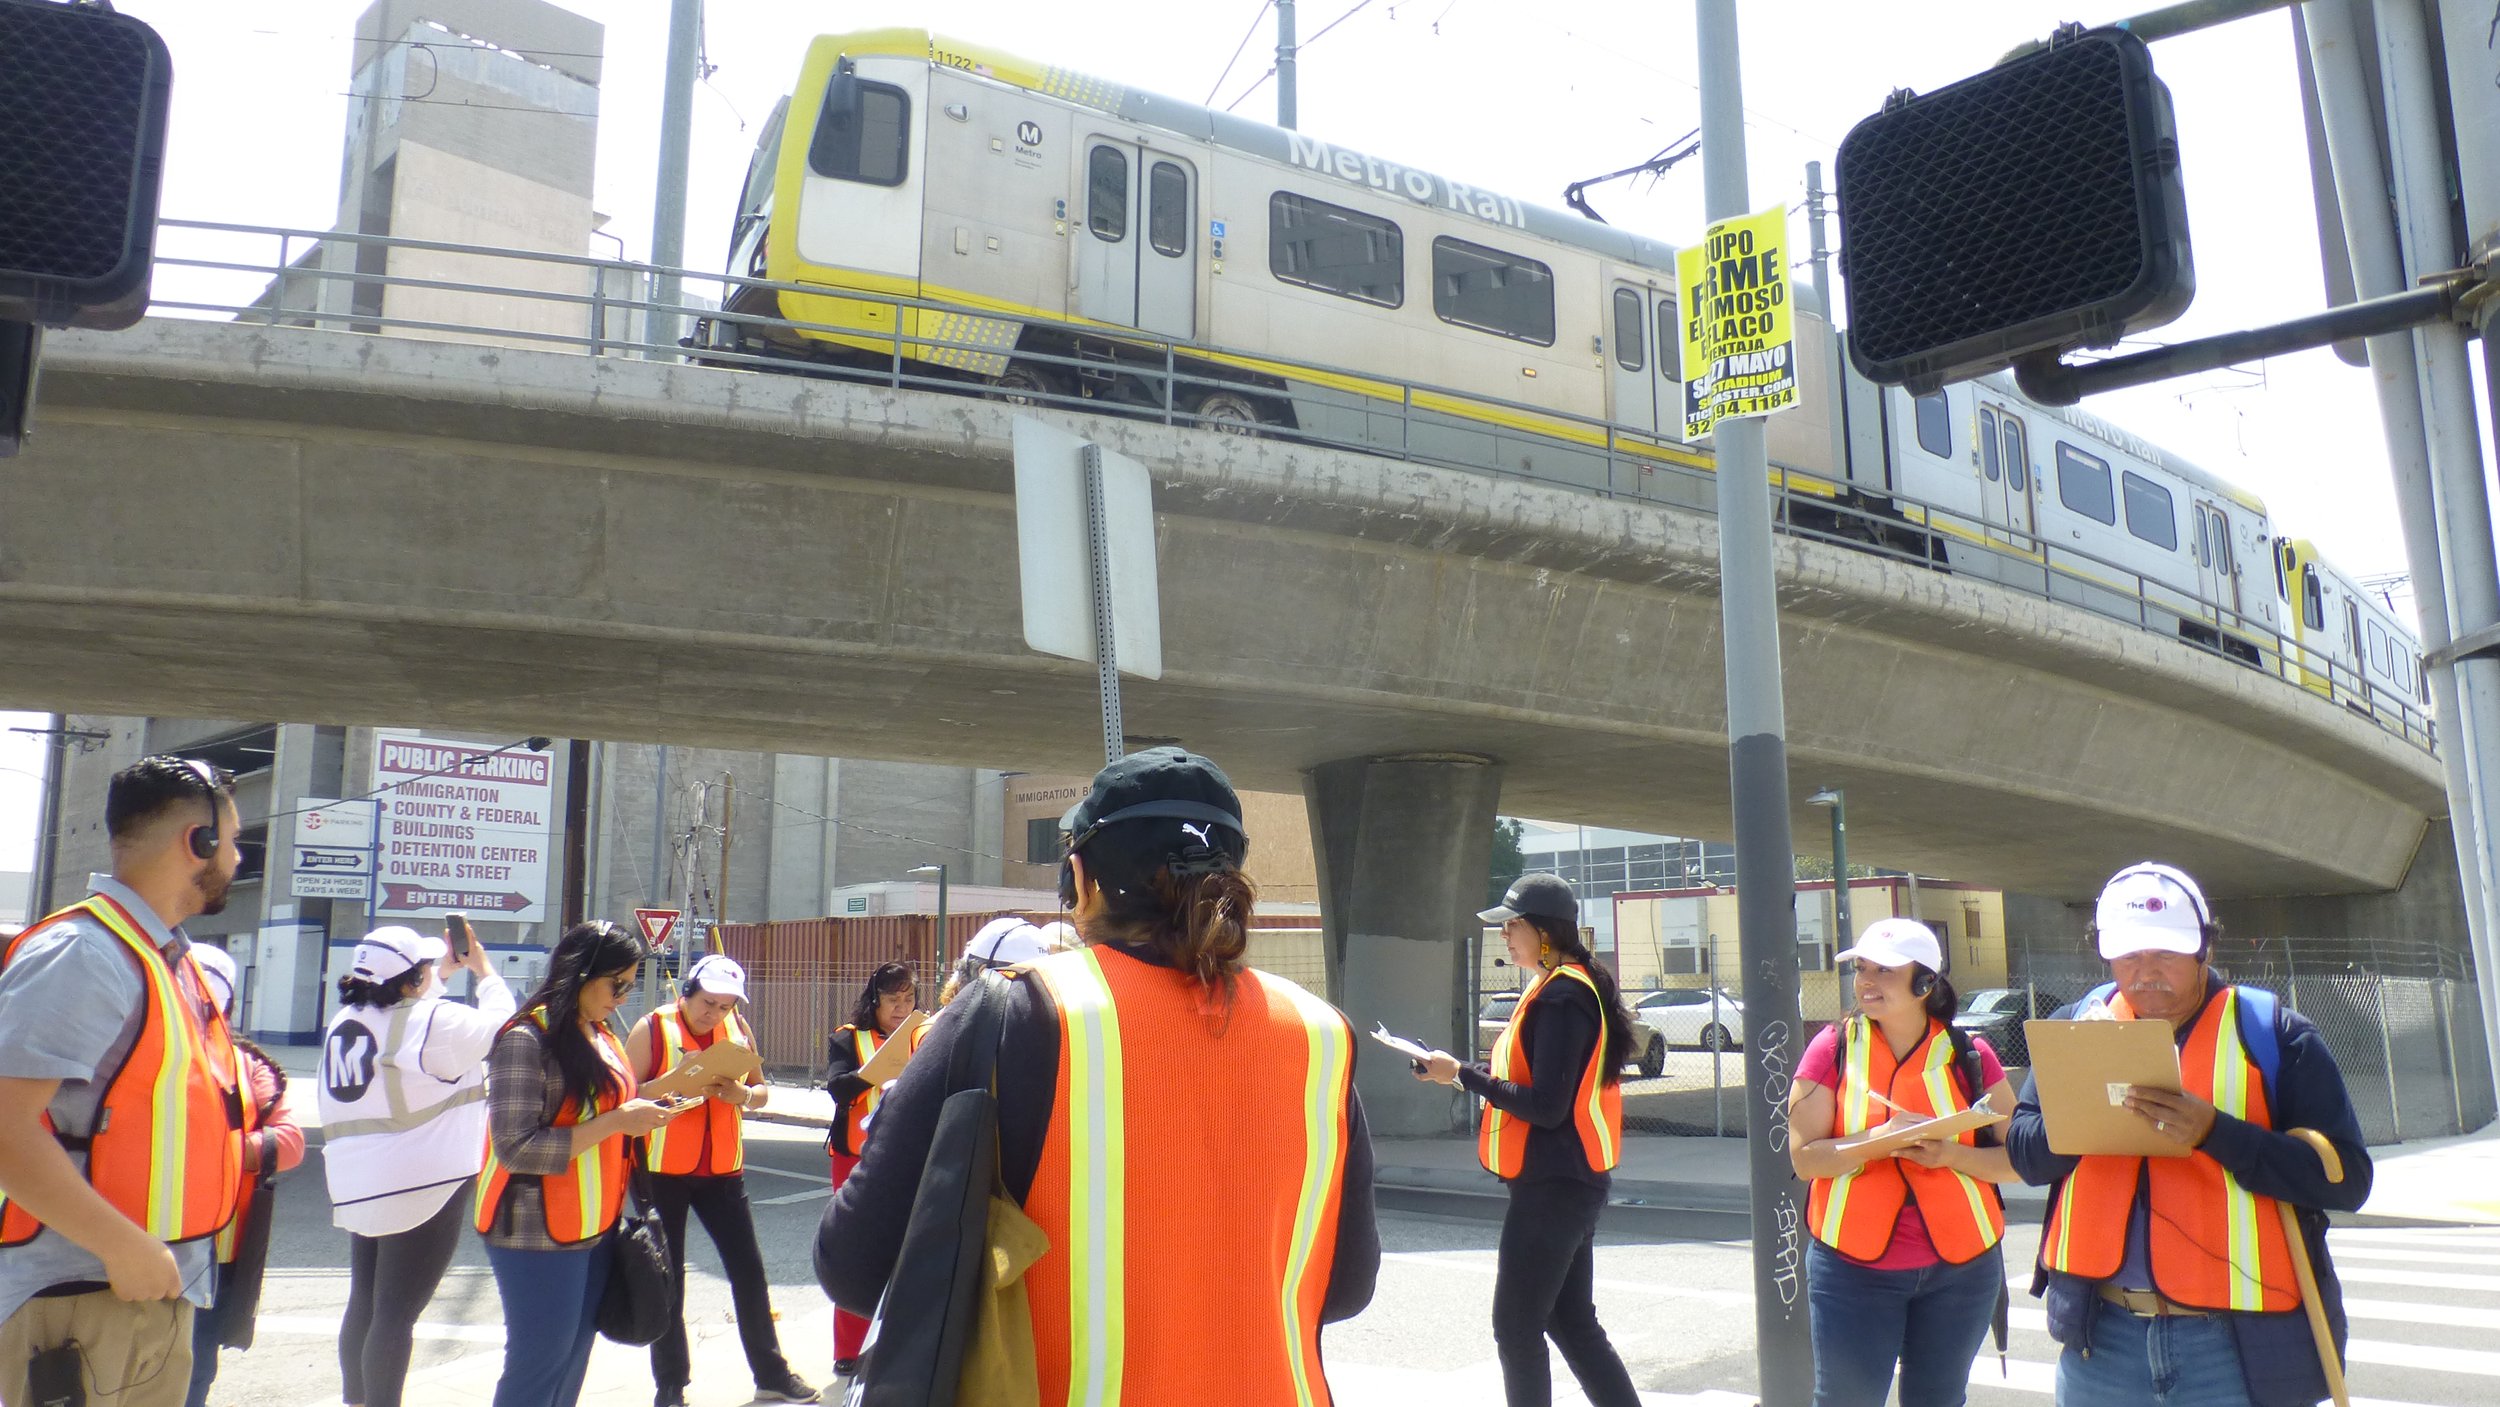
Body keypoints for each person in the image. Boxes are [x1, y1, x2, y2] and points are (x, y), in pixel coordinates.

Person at [818, 747, 1380, 1401]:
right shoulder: (1322, 1034)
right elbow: (1346, 1286)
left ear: (1081, 880)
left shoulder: (1014, 1010)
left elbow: (853, 1264)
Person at [2008, 862, 2373, 1407]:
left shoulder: (2275, 1034)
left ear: (2205, 948)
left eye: (2166, 953)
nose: (2145, 971)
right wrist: (2079, 1118)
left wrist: (2216, 1133)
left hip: (2232, 1345)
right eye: (2129, 953)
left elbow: (2348, 1181)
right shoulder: (2075, 1027)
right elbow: (2024, 1156)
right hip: (2102, 1339)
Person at [0, 756, 248, 1407]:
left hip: (138, 1292)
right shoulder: (86, 954)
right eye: (235, 840)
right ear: (198, 841)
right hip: (84, 1299)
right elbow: (6, 1128)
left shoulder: (160, 957)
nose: (240, 857)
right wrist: (125, 1246)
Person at [1418, 873, 1640, 1407]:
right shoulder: (1566, 984)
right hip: (1567, 1180)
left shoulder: (1563, 995)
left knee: (1517, 1327)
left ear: (1542, 932)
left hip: (1554, 1186)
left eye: (1511, 925)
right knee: (1571, 1324)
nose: (1504, 936)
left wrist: (1461, 1074)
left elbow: (1546, 1106)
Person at [1788, 918, 2018, 1407]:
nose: (1867, 982)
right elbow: (1805, 1160)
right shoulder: (1832, 1048)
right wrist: (1880, 1140)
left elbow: (2020, 1160)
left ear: (1925, 982)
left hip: (1963, 1269)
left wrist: (1950, 1153)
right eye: (1862, 969)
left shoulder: (1969, 1055)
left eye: (1885, 971)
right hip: (1852, 1270)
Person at [475, 922, 676, 1407]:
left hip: (594, 1225)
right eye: (618, 984)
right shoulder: (525, 1039)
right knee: (538, 1364)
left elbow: (607, 1105)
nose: (624, 997)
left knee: (571, 1362)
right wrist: (618, 1122)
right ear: (581, 973)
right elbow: (517, 1147)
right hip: (534, 1229)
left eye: (630, 985)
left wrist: (649, 1103)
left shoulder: (600, 1030)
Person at [320, 924, 513, 1407]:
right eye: (423, 970)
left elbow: (411, 1018)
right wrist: (484, 970)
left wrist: (440, 972)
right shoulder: (433, 1022)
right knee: (395, 1314)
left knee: (365, 1301)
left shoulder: (347, 1018)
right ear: (410, 981)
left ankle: (357, 1401)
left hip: (358, 1179)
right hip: (420, 1182)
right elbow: (501, 1025)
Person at [624, 954, 816, 1407]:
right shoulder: (652, 1027)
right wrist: (674, 1081)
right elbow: (627, 1095)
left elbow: (762, 1089)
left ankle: (771, 1373)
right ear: (687, 991)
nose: (715, 1013)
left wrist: (743, 1094)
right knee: (670, 1281)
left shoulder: (737, 1030)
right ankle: (671, 1385)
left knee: (749, 1274)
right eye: (708, 1002)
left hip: (723, 1172)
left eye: (726, 1005)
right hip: (662, 1171)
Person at [182, 945, 304, 1407]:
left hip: (219, 1247)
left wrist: (209, 1153)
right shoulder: (130, 1052)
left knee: (195, 1368)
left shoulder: (249, 1066)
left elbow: (289, 1142)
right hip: (138, 1242)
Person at [818, 962, 917, 1378]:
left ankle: (899, 1347)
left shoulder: (922, 1034)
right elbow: (838, 1087)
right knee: (855, 1254)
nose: (900, 1008)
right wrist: (874, 1072)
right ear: (874, 1000)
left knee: (909, 1254)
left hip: (907, 1157)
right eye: (892, 999)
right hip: (855, 1161)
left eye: (908, 999)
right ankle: (847, 1350)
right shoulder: (846, 1037)